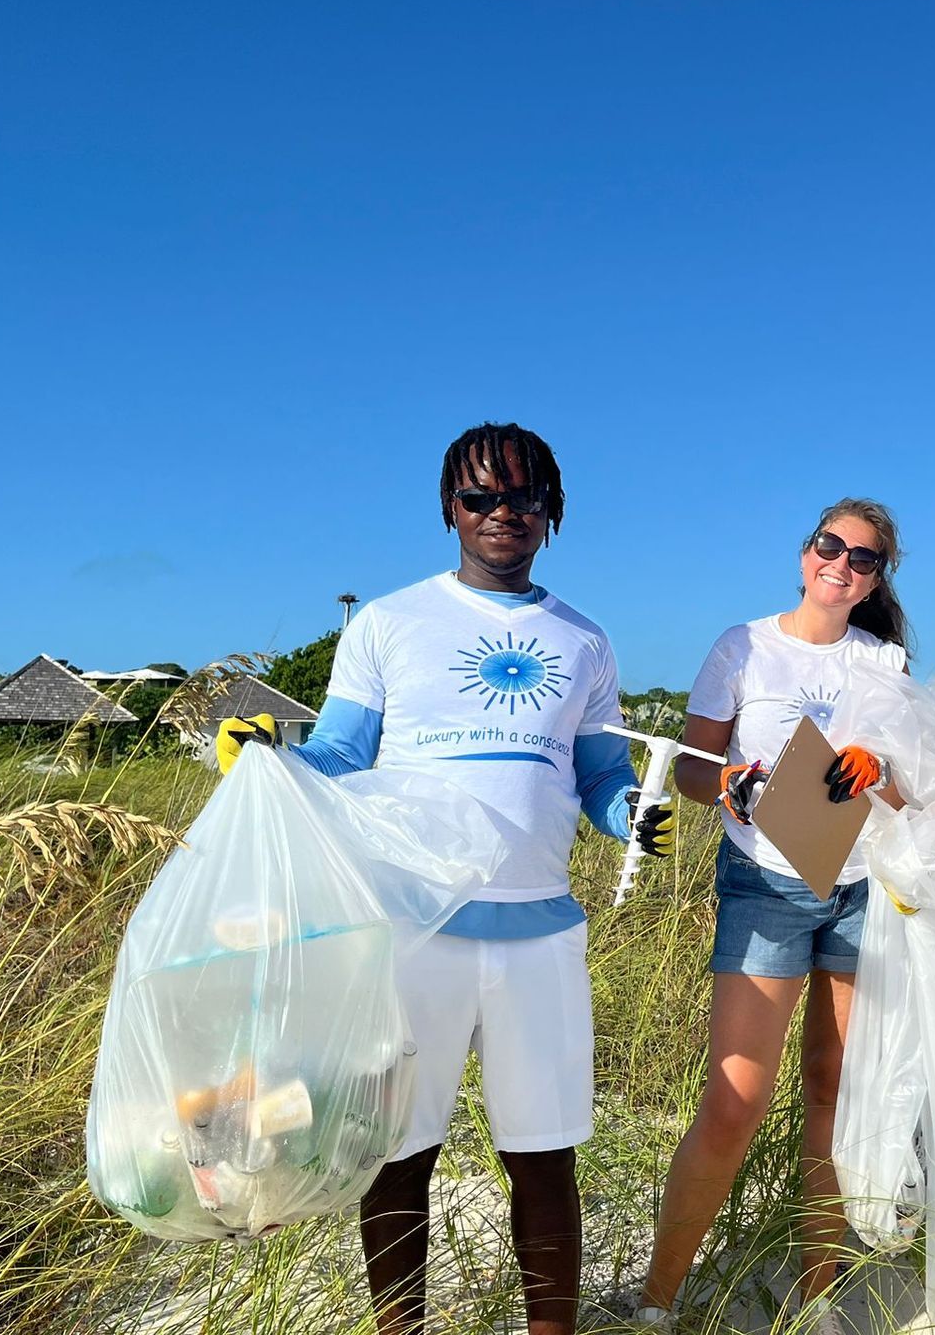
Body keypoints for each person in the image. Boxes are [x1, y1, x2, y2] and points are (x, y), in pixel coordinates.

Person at [216, 422, 672, 1335]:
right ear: (447, 509)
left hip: (540, 934)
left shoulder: (586, 640)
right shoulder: (387, 623)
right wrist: (274, 760)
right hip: (410, 929)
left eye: (526, 497)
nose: (504, 513)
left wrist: (631, 816)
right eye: (481, 497)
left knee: (544, 1161)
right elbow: (342, 752)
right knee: (399, 1159)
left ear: (554, 512)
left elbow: (599, 774)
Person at [633, 499, 912, 1334]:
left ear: (875, 580)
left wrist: (880, 769)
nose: (843, 564)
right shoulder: (742, 645)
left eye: (863, 559)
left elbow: (910, 793)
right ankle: (657, 1298)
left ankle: (819, 1294)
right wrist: (724, 781)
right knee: (735, 1100)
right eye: (832, 546)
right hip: (765, 883)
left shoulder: (885, 663)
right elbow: (689, 769)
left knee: (834, 1093)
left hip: (862, 885)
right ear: (805, 554)